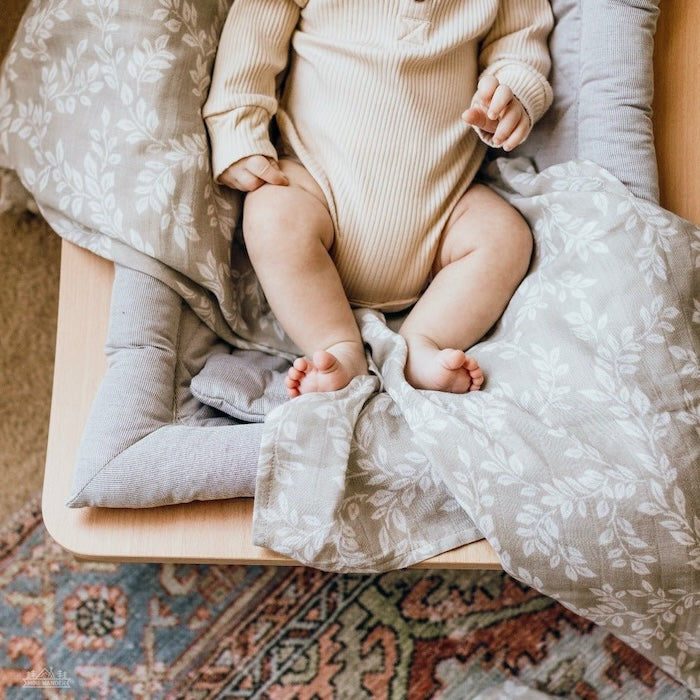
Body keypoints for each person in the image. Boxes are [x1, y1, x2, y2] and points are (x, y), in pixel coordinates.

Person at [203, 0, 553, 397]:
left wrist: (514, 92)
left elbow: (521, 41)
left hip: (443, 210)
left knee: (504, 235)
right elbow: (252, 39)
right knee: (271, 214)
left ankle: (425, 341)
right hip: (319, 187)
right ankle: (337, 345)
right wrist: (238, 125)